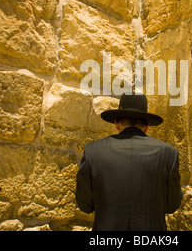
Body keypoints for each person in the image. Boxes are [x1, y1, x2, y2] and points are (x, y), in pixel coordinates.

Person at [75, 93, 183, 231]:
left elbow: (85, 205)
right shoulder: (168, 154)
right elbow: (172, 205)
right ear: (146, 125)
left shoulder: (93, 151)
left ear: (116, 123)